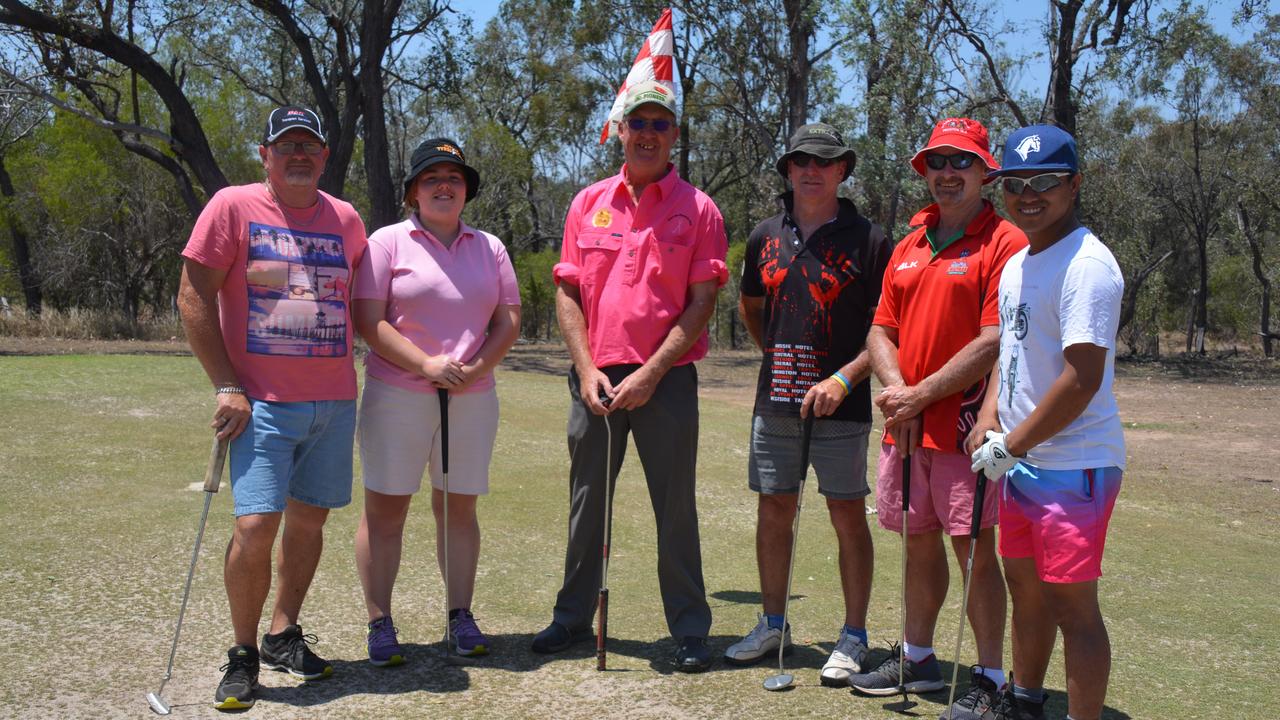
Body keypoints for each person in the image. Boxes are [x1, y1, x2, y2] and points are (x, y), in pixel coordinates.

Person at [532, 79, 728, 672]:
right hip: (594, 377)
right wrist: (586, 366)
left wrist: (652, 371)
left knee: (675, 507)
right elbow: (567, 292)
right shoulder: (586, 200)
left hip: (665, 379)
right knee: (587, 502)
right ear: (620, 130)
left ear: (674, 135)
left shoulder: (699, 210)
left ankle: (690, 628)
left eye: (660, 125)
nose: (647, 134)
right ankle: (571, 617)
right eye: (637, 123)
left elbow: (700, 303)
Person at [177, 106, 367, 711]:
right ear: (266, 155)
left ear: (325, 155)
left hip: (334, 404)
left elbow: (360, 301)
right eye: (286, 146)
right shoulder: (233, 207)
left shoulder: (346, 219)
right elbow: (193, 295)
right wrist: (224, 386)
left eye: (310, 144)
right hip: (261, 407)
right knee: (256, 527)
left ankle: (283, 633)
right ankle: (242, 654)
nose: (299, 155)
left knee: (310, 523)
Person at [851, 117, 1026, 718]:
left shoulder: (1005, 241)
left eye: (961, 162)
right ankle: (920, 657)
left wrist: (916, 397)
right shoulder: (909, 241)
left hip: (965, 427)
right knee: (917, 544)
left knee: (972, 549)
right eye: (937, 162)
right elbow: (880, 329)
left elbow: (992, 340)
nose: (947, 174)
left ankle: (991, 678)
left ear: (985, 172)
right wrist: (899, 394)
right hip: (909, 426)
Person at [969, 124, 1125, 720]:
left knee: (1073, 609)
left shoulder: (1088, 265)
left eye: (1045, 182)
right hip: (1020, 461)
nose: (1028, 194)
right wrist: (989, 420)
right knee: (1026, 595)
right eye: (1015, 183)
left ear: (1074, 184)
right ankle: (1025, 701)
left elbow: (1080, 378)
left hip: (1073, 465)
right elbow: (1010, 359)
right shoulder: (1017, 263)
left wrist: (1012, 443)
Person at [725, 123, 889, 687]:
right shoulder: (764, 235)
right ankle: (774, 624)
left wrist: (843, 378)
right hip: (776, 403)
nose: (811, 171)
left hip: (844, 405)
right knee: (775, 508)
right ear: (788, 170)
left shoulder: (870, 240)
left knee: (846, 513)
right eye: (800, 162)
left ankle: (854, 637)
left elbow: (886, 330)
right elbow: (752, 308)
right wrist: (780, 360)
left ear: (843, 170)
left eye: (824, 162)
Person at [352, 139, 520, 665]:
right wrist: (425, 365)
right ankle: (380, 621)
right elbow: (368, 319)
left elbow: (508, 319)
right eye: (432, 178)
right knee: (386, 511)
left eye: (454, 177)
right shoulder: (387, 243)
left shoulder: (489, 246)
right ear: (412, 194)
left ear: (466, 190)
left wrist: (476, 368)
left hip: (471, 397)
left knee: (458, 508)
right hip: (396, 394)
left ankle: (459, 615)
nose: (444, 186)